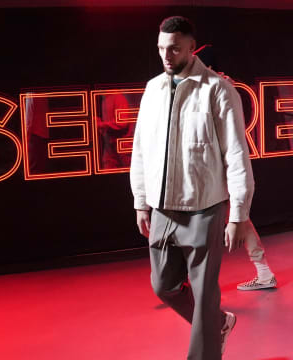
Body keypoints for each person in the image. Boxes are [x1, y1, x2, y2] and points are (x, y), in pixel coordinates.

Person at [130, 16, 255, 360]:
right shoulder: (153, 89)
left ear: (190, 46)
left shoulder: (217, 89)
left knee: (204, 293)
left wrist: (239, 214)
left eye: (173, 48)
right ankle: (219, 323)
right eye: (161, 49)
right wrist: (141, 202)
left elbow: (236, 154)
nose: (166, 56)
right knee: (163, 286)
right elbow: (141, 148)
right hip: (161, 208)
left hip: (204, 207)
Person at [194, 45, 277, 291]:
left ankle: (192, 283)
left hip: (220, 167)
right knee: (235, 218)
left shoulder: (219, 89)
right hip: (217, 166)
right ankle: (263, 273)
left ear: (207, 67)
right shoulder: (215, 87)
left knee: (214, 219)